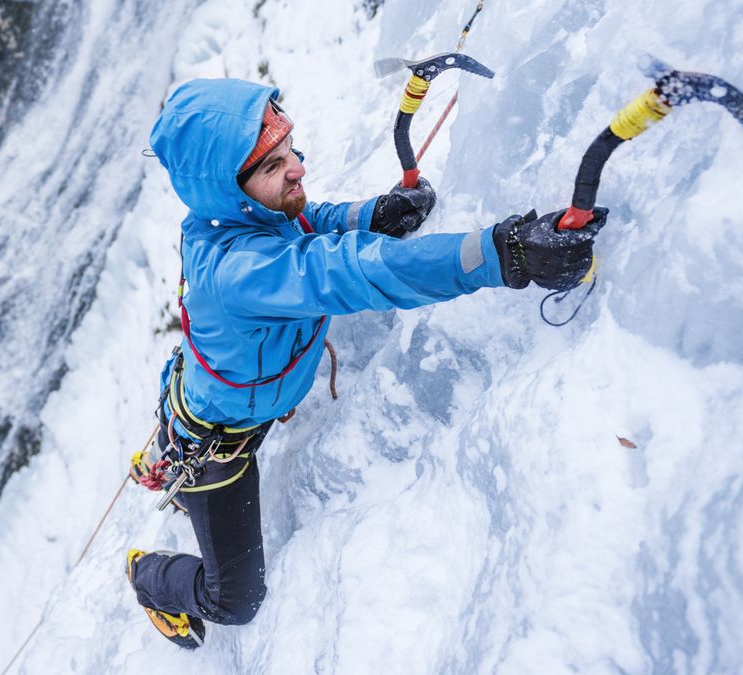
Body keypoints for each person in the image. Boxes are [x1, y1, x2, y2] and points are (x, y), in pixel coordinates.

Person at [126, 78, 605, 648]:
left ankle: (162, 462)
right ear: (230, 188)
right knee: (236, 600)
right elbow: (357, 271)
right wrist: (505, 252)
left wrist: (372, 214)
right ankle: (146, 576)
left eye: (291, 149)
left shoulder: (241, 213)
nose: (298, 168)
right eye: (273, 163)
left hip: (211, 397)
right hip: (216, 443)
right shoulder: (241, 272)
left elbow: (310, 222)